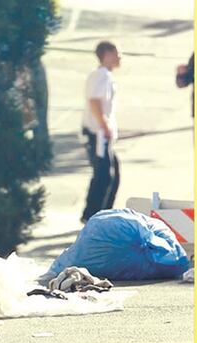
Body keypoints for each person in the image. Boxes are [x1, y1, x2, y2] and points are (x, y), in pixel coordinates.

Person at [81, 41, 122, 224]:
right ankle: (94, 215)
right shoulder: (101, 76)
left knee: (112, 173)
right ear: (107, 55)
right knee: (104, 175)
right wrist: (104, 126)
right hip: (98, 134)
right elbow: (95, 102)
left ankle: (102, 213)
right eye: (117, 53)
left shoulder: (104, 76)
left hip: (102, 134)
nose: (120, 57)